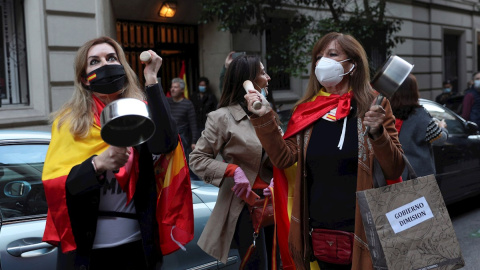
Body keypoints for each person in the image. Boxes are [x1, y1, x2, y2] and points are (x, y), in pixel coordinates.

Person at [244, 32, 405, 270]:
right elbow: (283, 158)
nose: (322, 62)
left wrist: (377, 133)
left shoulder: (375, 105)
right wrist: (263, 118)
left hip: (366, 231)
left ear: (352, 64)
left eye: (332, 54)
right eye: (318, 57)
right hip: (320, 233)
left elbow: (395, 167)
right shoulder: (306, 110)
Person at [41, 36, 193, 270]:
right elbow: (57, 186)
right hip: (89, 256)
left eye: (111, 58)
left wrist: (152, 81)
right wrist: (97, 165)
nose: (105, 65)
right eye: (95, 61)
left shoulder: (139, 113)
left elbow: (166, 143)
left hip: (137, 250)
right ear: (84, 78)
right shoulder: (68, 123)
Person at [190, 55, 276, 269]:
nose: (268, 77)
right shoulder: (221, 117)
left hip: (275, 204)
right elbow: (197, 159)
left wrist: (277, 177)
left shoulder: (267, 112)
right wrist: (232, 170)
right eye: (263, 73)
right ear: (249, 81)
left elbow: (280, 155)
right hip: (245, 209)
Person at [390, 74, 448, 180]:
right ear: (413, 91)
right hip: (418, 176)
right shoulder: (419, 115)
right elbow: (439, 139)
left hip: (394, 173)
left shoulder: (387, 112)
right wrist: (442, 127)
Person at [167, 77, 199, 157]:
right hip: (168, 137)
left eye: (175, 87)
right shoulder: (167, 102)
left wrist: (194, 141)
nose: (172, 89)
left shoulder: (188, 104)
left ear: (182, 90)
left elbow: (193, 124)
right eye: (171, 87)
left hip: (182, 138)